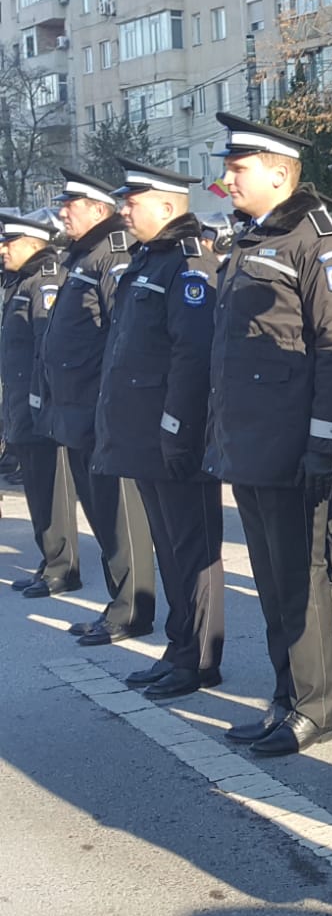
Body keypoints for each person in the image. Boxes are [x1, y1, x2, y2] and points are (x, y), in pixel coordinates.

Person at [205, 114, 332, 756]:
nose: (228, 178)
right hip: (250, 444)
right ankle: (285, 696)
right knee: (271, 580)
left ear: (278, 173)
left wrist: (322, 445)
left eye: (238, 168)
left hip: (294, 448)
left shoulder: (319, 242)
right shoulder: (251, 238)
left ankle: (313, 707)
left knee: (301, 579)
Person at [94, 161, 224, 699]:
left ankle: (201, 658)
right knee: (170, 549)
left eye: (133, 201)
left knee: (193, 550)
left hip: (176, 434)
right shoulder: (149, 259)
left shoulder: (190, 263)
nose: (123, 210)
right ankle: (180, 647)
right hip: (145, 433)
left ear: (168, 206)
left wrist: (178, 428)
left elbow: (192, 356)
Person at [38, 168, 157, 644]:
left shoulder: (112, 253)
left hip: (101, 409)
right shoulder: (83, 255)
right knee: (101, 514)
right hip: (77, 409)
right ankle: (118, 603)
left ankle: (132, 611)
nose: (63, 213)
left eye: (71, 205)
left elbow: (120, 335)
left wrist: (114, 407)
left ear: (98, 210)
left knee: (120, 515)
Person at [0, 215, 79, 599]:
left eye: (9, 242)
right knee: (35, 487)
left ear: (33, 243)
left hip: (40, 404)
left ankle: (63, 567)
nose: (3, 249)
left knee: (52, 490)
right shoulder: (20, 281)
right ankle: (49, 560)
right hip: (19, 402)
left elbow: (46, 346)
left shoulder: (45, 280)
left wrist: (41, 401)